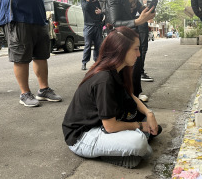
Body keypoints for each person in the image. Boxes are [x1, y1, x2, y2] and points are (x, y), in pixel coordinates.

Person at [62, 26, 162, 168]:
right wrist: (139, 126)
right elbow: (110, 126)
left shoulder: (117, 69)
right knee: (139, 142)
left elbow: (130, 94)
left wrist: (149, 113)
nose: (139, 54)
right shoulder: (104, 79)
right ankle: (119, 150)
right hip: (82, 137)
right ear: (121, 49)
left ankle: (125, 147)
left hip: (101, 125)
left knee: (150, 124)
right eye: (135, 49)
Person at [0, 0, 62, 107]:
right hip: (17, 17)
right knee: (21, 57)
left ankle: (44, 90)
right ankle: (25, 93)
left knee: (41, 55)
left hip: (37, 18)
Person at [105, 0, 155, 99]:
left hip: (132, 31)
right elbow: (114, 22)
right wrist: (139, 21)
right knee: (122, 69)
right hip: (118, 35)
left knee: (137, 64)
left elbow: (136, 7)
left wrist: (146, 10)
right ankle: (122, 100)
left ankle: (135, 96)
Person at [80, 0, 103, 70]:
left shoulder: (97, 2)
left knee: (98, 45)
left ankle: (96, 62)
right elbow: (85, 8)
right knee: (88, 45)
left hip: (97, 26)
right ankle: (84, 63)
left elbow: (100, 16)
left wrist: (101, 12)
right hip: (88, 26)